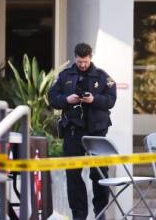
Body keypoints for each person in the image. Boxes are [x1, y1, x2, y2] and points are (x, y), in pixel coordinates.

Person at [49, 43, 117, 220]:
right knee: (73, 175)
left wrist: (94, 99)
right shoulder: (65, 76)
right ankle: (79, 216)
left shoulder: (102, 77)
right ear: (75, 58)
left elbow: (111, 100)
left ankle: (100, 214)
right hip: (73, 131)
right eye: (79, 62)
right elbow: (52, 98)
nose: (82, 65)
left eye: (85, 62)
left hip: (96, 132)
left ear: (91, 57)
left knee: (99, 174)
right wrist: (67, 99)